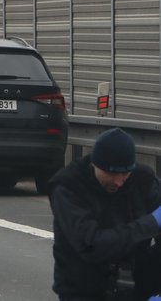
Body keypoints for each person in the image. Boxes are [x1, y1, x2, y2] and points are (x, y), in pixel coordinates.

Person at [48, 127, 161, 300]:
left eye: (125, 174)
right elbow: (93, 246)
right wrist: (152, 223)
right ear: (95, 164)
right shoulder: (68, 187)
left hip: (136, 286)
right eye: (111, 174)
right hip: (84, 290)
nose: (119, 181)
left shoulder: (142, 179)